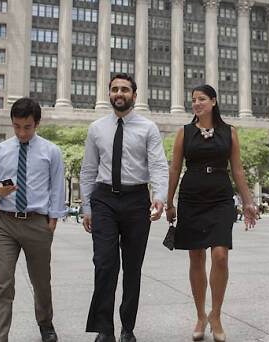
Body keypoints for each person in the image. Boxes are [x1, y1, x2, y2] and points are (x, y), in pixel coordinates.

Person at [80, 73, 169, 342]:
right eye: (115, 89)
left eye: (125, 89)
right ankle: (104, 329)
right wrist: (86, 206)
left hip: (136, 200)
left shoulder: (148, 128)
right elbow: (88, 170)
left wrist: (160, 196)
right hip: (104, 199)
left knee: (132, 268)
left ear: (134, 94)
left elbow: (158, 165)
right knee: (104, 264)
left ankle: (127, 328)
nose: (120, 93)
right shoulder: (96, 128)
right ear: (109, 93)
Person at [165, 84, 257, 342]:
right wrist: (169, 201)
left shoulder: (230, 132)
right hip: (191, 196)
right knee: (196, 257)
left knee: (220, 256)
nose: (196, 104)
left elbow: (237, 170)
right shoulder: (185, 132)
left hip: (219, 196)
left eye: (202, 99)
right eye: (193, 100)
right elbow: (174, 168)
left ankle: (215, 315)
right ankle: (200, 316)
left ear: (214, 101)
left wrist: (248, 202)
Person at [0, 97, 65, 342]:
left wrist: (52, 221)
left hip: (36, 222)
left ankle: (45, 323)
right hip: (6, 223)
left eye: (27, 127)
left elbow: (58, 188)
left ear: (37, 123)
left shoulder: (51, 151)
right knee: (3, 282)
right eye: (17, 126)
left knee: (41, 281)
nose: (21, 132)